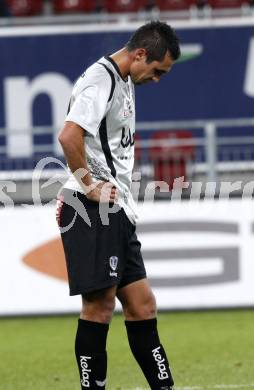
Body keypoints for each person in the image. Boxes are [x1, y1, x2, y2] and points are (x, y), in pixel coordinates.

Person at [57, 21, 181, 390]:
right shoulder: (102, 78)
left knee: (143, 305)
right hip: (89, 208)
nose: (156, 80)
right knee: (99, 308)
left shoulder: (124, 80)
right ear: (140, 54)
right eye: (157, 71)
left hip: (118, 211)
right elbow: (69, 135)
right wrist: (90, 186)